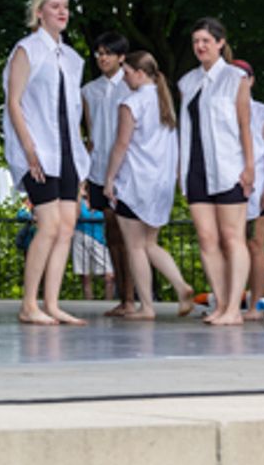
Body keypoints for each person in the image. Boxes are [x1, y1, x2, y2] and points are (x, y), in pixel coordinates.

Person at [3, 0, 89, 326]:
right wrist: (29, 150)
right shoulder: (27, 50)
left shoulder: (71, 58)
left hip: (68, 149)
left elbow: (73, 109)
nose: (62, 11)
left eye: (65, 6)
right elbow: (14, 101)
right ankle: (28, 304)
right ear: (39, 12)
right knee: (49, 225)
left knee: (67, 226)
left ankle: (51, 303)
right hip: (38, 147)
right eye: (54, 6)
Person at [102, 50, 194, 320]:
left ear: (140, 74)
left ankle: (147, 307)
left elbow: (121, 144)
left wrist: (109, 179)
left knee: (134, 247)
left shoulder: (131, 103)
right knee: (150, 243)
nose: (125, 78)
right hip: (160, 183)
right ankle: (180, 285)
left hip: (134, 182)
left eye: (127, 72)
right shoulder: (165, 103)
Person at [177, 17, 253, 326]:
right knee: (207, 239)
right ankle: (221, 305)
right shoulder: (186, 82)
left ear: (220, 43)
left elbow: (245, 125)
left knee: (232, 236)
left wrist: (249, 166)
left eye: (206, 41)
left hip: (228, 166)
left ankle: (234, 308)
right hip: (196, 168)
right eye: (196, 41)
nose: (200, 46)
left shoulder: (236, 78)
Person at [80, 31, 134, 314]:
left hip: (127, 170)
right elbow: (91, 134)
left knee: (127, 232)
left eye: (108, 53)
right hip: (99, 169)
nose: (102, 58)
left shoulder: (132, 87)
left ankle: (130, 296)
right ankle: (125, 299)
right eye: (99, 53)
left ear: (121, 57)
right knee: (111, 233)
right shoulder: (89, 91)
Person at [233, 60, 264, 320]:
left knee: (256, 243)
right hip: (232, 185)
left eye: (243, 78)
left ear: (251, 81)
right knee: (232, 243)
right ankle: (233, 300)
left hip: (260, 184)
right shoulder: (223, 111)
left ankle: (256, 305)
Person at [71, 189, 113, 301]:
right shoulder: (79, 200)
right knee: (85, 277)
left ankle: (108, 304)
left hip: (99, 240)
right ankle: (89, 304)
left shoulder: (101, 200)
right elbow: (75, 216)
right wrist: (78, 196)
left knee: (109, 275)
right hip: (80, 236)